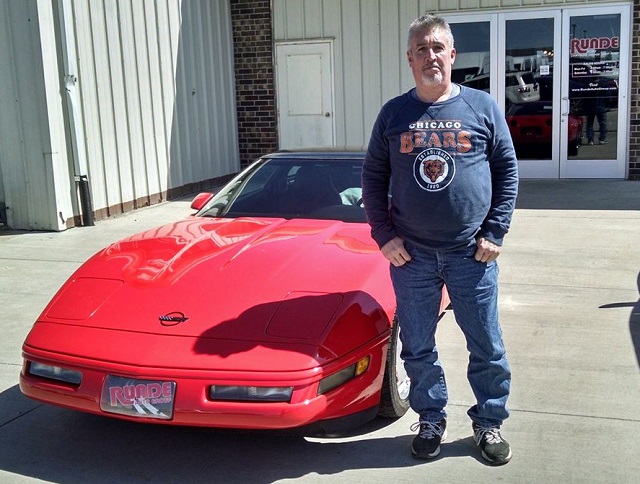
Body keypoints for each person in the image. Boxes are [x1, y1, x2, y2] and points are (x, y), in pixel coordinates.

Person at [362, 14, 518, 466]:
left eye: (438, 47)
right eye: (421, 49)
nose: (430, 55)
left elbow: (507, 171)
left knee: (486, 344)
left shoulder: (482, 107)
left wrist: (496, 231)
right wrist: (384, 235)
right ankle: (431, 417)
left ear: (452, 55)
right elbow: (373, 176)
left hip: (472, 252)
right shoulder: (394, 114)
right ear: (410, 59)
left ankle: (489, 421)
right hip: (411, 255)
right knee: (417, 344)